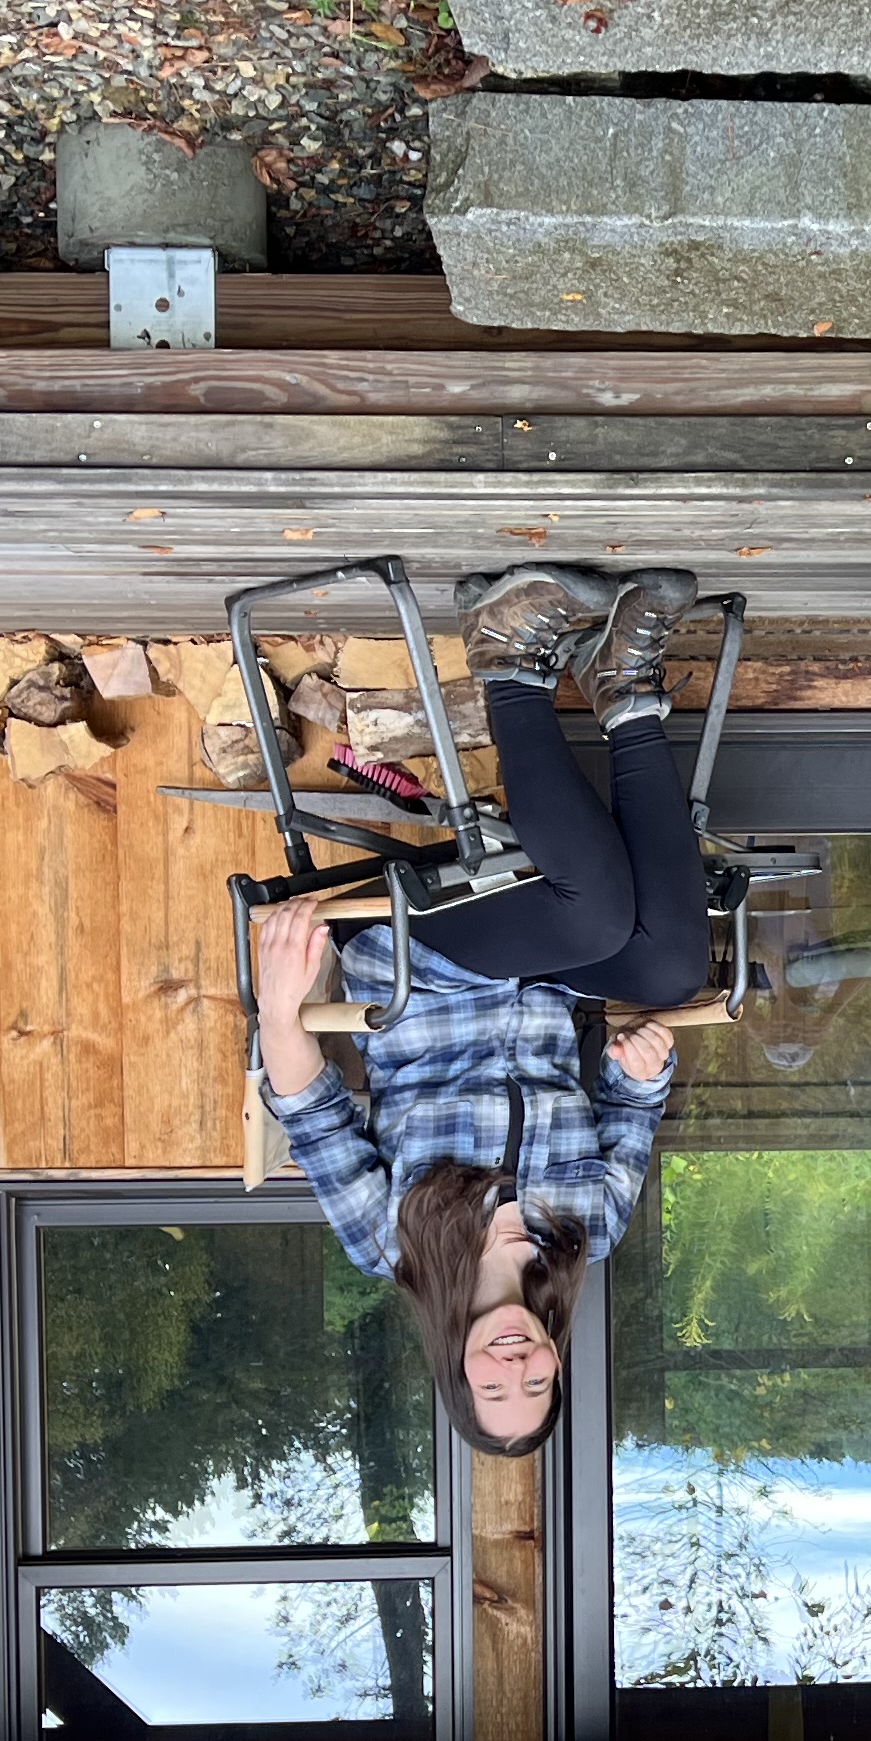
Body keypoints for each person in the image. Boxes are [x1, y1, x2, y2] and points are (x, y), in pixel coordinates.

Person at [253, 563, 708, 1457]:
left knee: (594, 911)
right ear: (556, 1362)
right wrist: (643, 1074)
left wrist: (280, 1004)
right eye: (535, 1382)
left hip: (424, 971)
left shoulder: (394, 1247)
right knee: (669, 965)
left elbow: (309, 1110)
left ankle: (507, 660)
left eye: (493, 1386)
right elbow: (631, 1107)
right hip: (545, 984)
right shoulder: (590, 1235)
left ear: (456, 1372)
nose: (514, 1366)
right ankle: (623, 693)